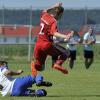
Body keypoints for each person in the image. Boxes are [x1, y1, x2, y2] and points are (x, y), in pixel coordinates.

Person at [31, 2, 72, 76]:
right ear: (60, 15)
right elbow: (54, 33)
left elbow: (44, 10)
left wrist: (54, 6)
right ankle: (57, 64)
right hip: (46, 45)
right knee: (66, 52)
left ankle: (34, 66)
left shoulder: (45, 15)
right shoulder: (53, 21)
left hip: (38, 45)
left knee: (41, 68)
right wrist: (65, 36)